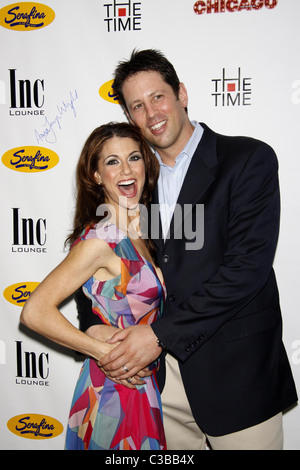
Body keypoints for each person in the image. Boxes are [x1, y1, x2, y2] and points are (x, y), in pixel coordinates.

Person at [76, 49, 298, 450]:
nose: (151, 113)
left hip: (238, 376)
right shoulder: (136, 182)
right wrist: (93, 330)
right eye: (137, 106)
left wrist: (158, 335)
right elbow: (96, 265)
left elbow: (247, 269)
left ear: (181, 93)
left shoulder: (247, 159)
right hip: (159, 384)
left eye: (158, 97)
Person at [20, 122, 167, 450]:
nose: (126, 170)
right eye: (112, 162)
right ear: (97, 175)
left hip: (146, 384)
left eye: (134, 158)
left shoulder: (143, 231)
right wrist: (104, 353)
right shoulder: (100, 240)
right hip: (115, 392)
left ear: (147, 164)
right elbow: (35, 312)